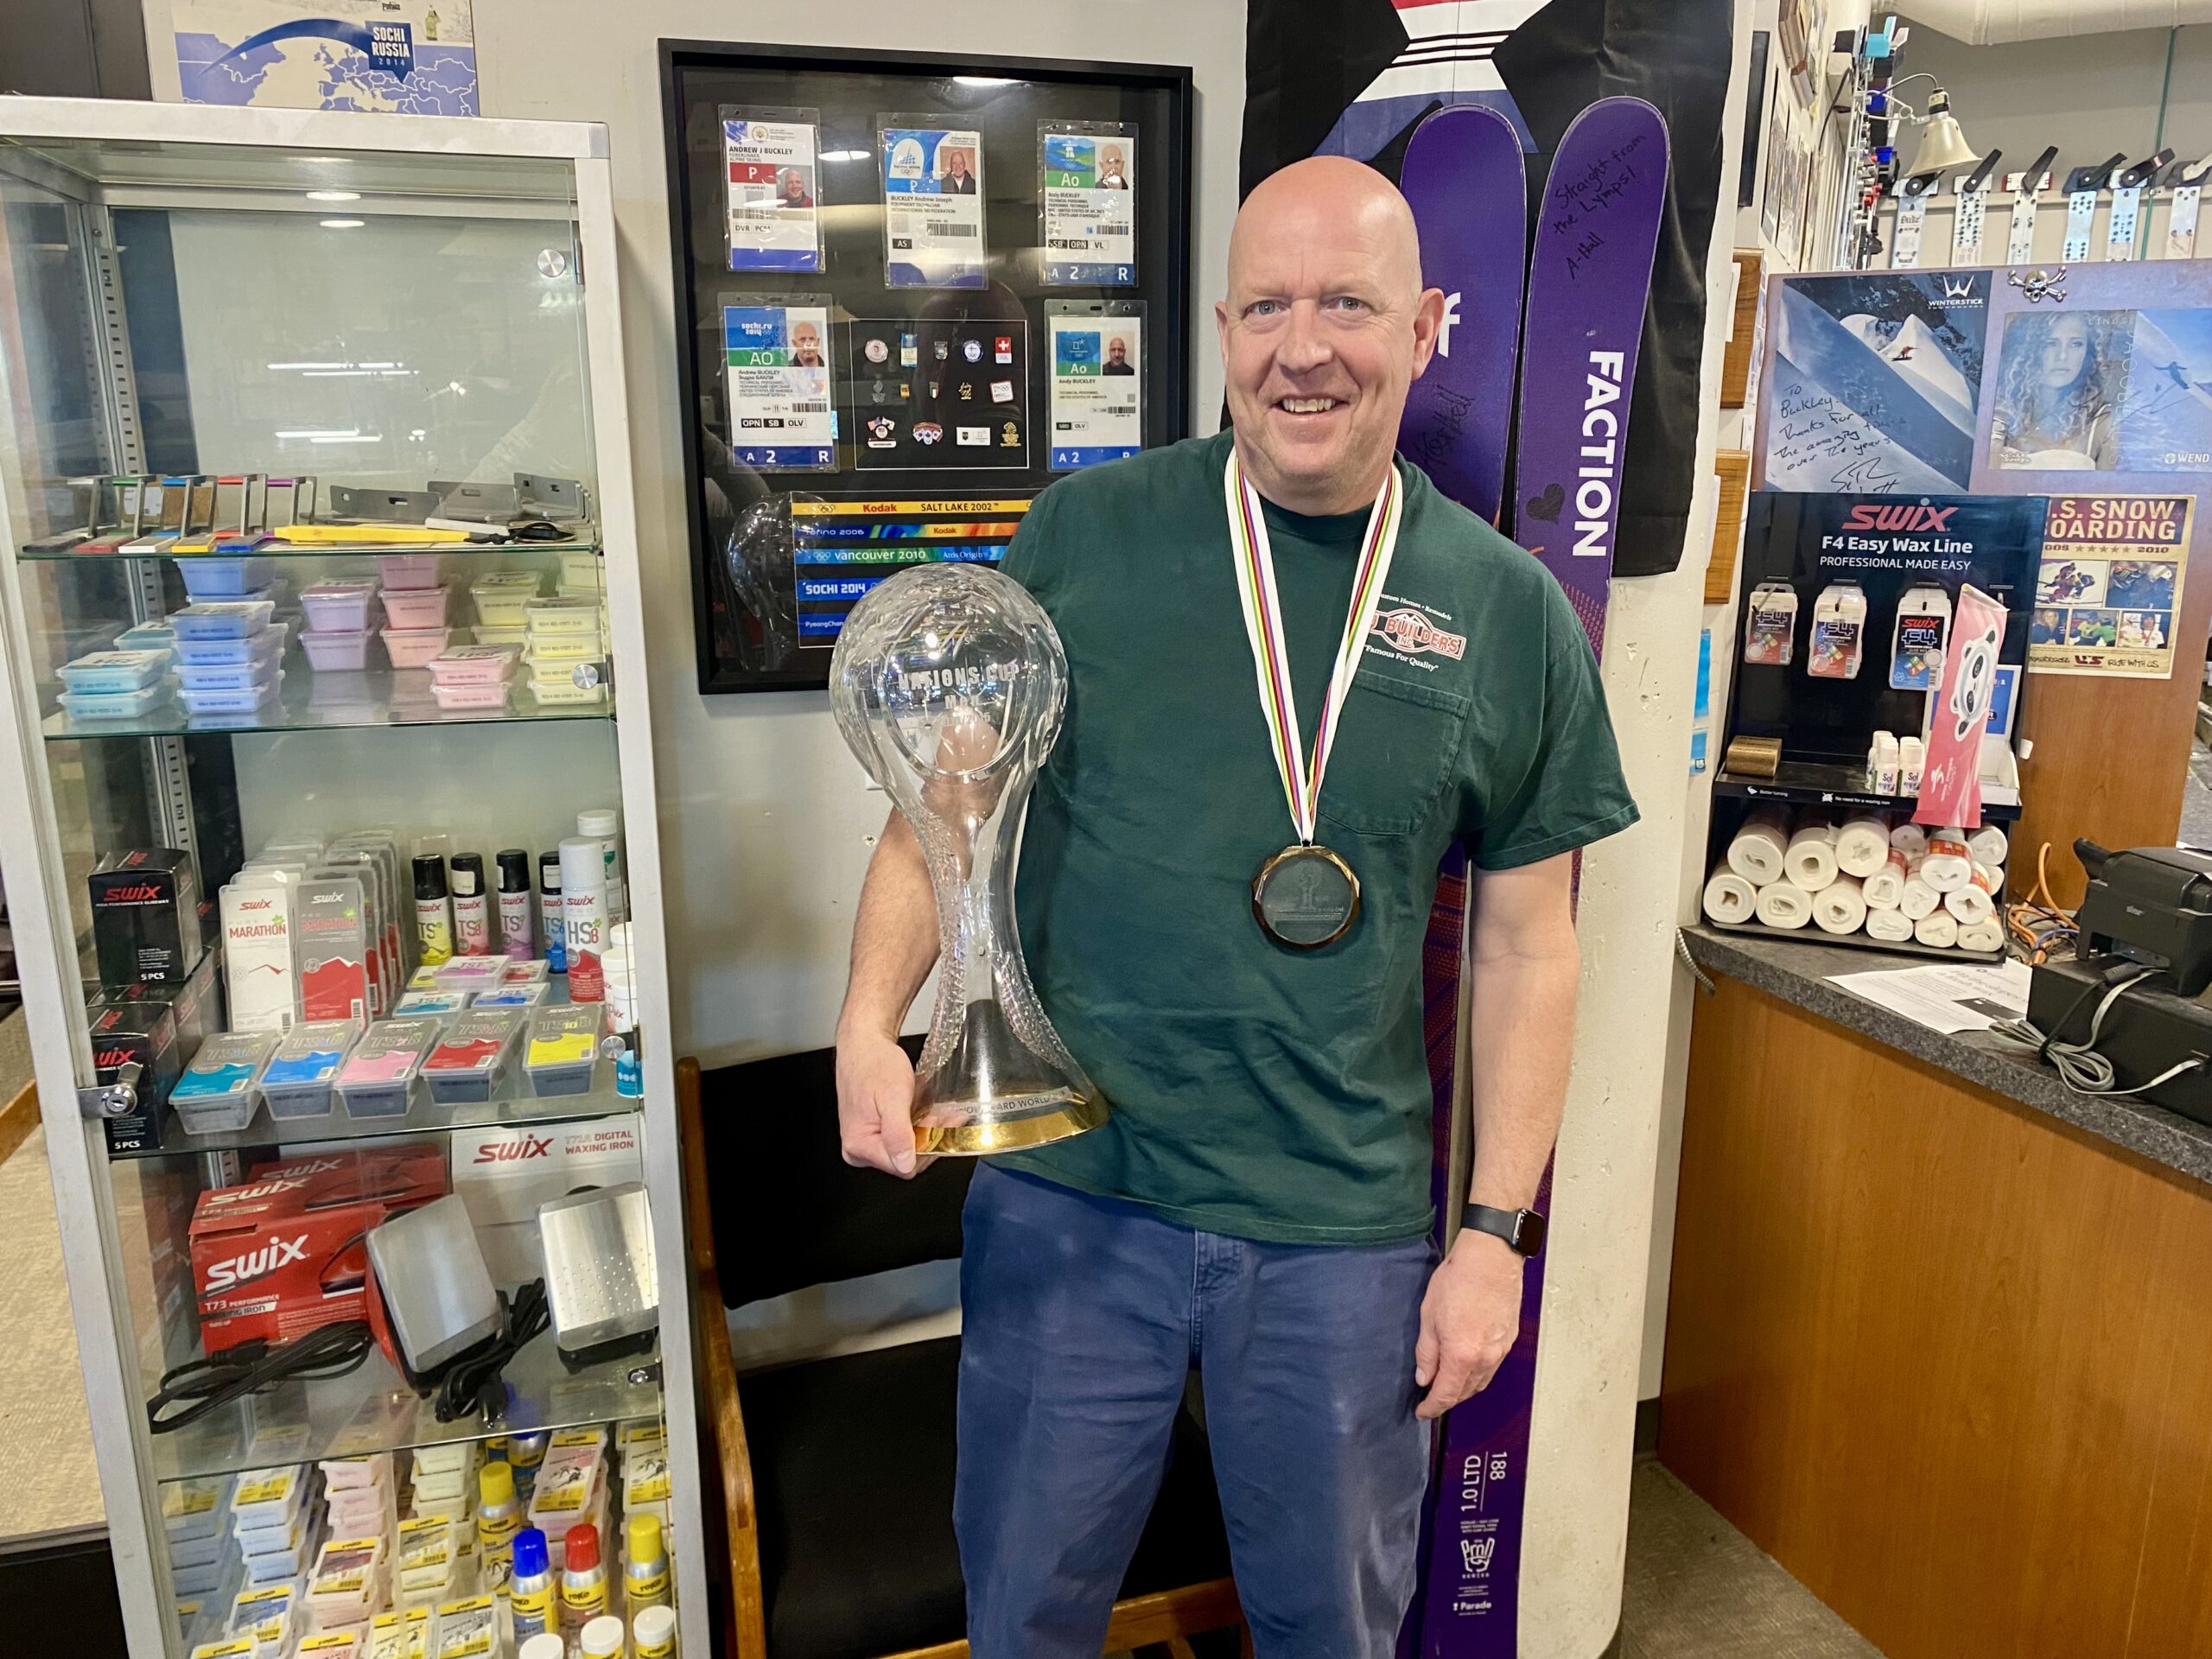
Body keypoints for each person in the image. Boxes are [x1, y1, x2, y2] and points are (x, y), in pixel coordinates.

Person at [835, 156, 1637, 1659]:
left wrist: (1492, 1240)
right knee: (1024, 1623)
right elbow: (937, 808)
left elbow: (1535, 944)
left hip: (1338, 1233)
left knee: (1330, 1630)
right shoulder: (1085, 540)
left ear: (1426, 327)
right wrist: (869, 1022)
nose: (1303, 346)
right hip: (1070, 1200)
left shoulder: (1508, 611)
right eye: (1267, 304)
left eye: (1349, 303)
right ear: (1221, 326)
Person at [1992, 311, 2124, 469]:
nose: (2062, 356)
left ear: (2088, 353)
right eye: (2050, 343)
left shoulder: (2104, 422)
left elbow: (2108, 492)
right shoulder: (2000, 412)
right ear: (2028, 350)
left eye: (2076, 344)